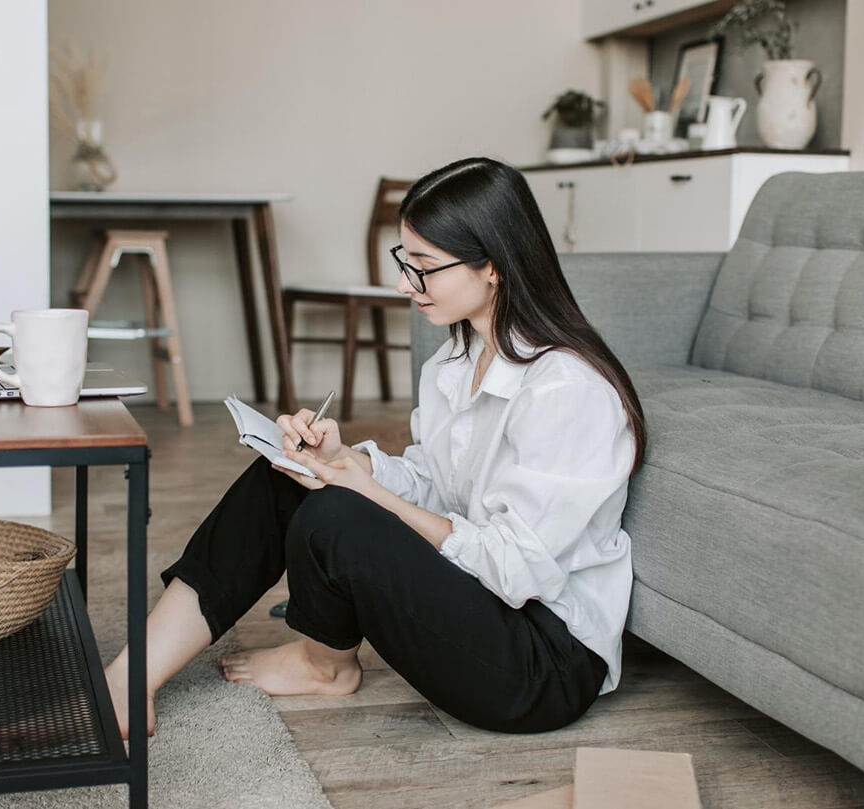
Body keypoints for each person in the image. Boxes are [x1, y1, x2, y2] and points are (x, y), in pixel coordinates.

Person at [101, 156, 647, 737]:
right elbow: (440, 488)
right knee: (288, 473)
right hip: (484, 601)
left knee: (340, 512)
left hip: (541, 662)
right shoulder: (453, 363)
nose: (403, 284)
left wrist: (365, 494)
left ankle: (324, 665)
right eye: (404, 262)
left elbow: (517, 570)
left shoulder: (566, 391)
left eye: (425, 268)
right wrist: (347, 461)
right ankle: (132, 677)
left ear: (493, 266)